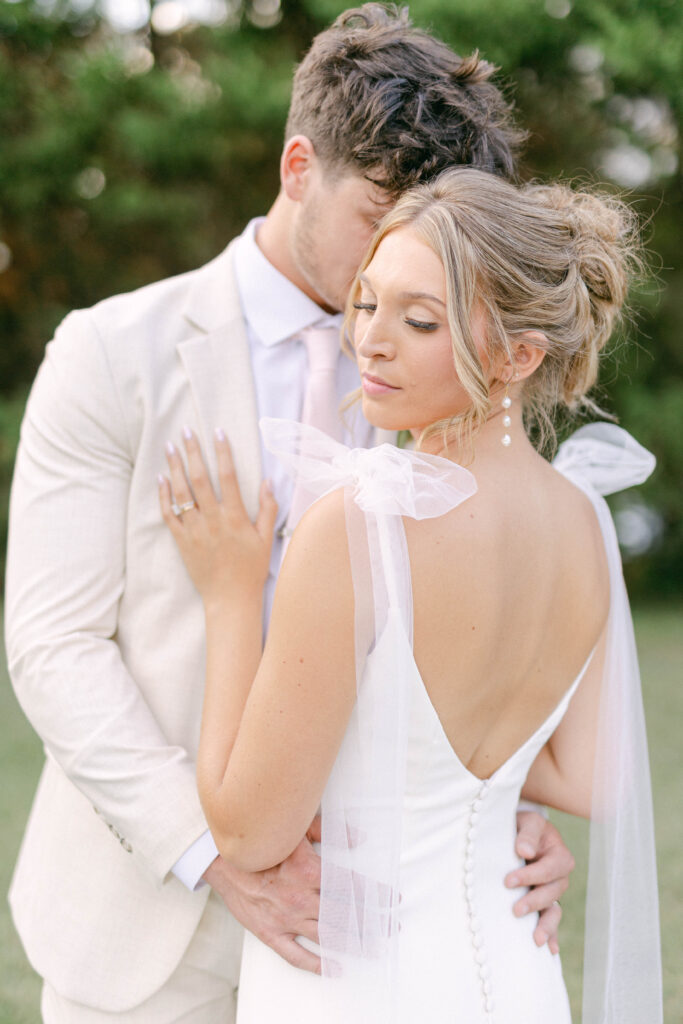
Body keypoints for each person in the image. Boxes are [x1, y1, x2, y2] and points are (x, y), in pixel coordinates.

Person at [6, 6, 574, 1022]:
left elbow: (475, 635)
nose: (395, 258)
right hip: (144, 923)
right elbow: (52, 645)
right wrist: (215, 852)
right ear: (298, 164)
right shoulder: (110, 353)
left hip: (373, 936)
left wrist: (507, 811)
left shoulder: (457, 388)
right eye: (379, 214)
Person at [159, 167, 662, 1023]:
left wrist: (231, 595)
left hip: (354, 982)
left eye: (418, 319)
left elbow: (248, 832)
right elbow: (590, 779)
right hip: (515, 974)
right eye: (366, 303)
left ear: (517, 355)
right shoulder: (583, 516)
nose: (373, 340)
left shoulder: (362, 522)